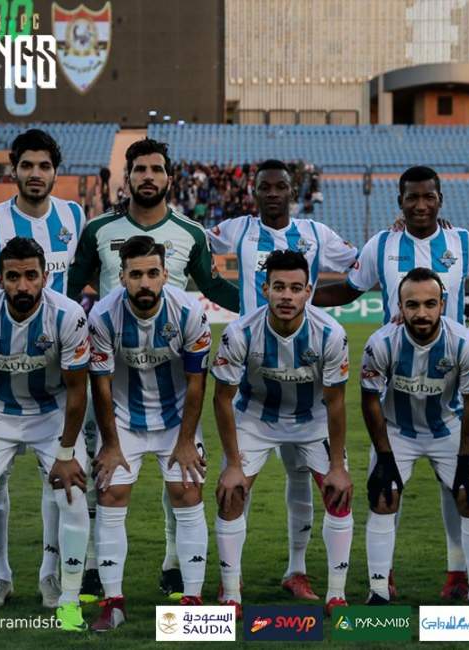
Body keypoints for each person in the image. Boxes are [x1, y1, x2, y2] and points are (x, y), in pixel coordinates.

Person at [315, 165, 469, 600]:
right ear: (400, 201)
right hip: (397, 392)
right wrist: (298, 296)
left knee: (463, 489)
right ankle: (382, 584)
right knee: (385, 489)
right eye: (412, 197)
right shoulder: (382, 243)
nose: (421, 204)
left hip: (450, 391)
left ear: (440, 200)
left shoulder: (462, 242)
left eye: (429, 196)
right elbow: (349, 290)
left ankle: (460, 574)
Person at [67, 139, 240, 600]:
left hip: (170, 366)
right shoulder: (98, 229)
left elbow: (213, 286)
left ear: (169, 178)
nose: (148, 176)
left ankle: (174, 564)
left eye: (156, 169)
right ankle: (92, 567)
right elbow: (70, 287)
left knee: (179, 479)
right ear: (127, 177)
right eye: (139, 169)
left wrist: (264, 305)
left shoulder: (190, 233)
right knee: (102, 473)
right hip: (111, 369)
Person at [207, 158, 358, 601]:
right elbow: (221, 398)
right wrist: (232, 463)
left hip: (310, 414)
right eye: (265, 186)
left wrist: (338, 465)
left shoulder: (331, 330)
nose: (273, 193)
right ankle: (230, 594)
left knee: (334, 490)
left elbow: (336, 401)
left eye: (296, 288)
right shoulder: (238, 328)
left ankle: (329, 592)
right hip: (255, 410)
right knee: (231, 492)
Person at [0, 129, 87, 611]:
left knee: (65, 486)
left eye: (44, 166)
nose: (35, 174)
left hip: (59, 372)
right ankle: (0, 576)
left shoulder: (74, 216)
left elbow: (83, 281)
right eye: (26, 165)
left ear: (55, 171)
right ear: (13, 169)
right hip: (1, 377)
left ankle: (52, 576)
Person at [86, 236, 213, 630]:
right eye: (136, 274)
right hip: (123, 420)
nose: (145, 282)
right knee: (111, 494)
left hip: (177, 420)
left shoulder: (189, 312)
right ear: (122, 277)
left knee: (187, 492)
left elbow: (197, 381)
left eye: (152, 273)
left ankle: (192, 601)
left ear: (165, 275)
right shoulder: (103, 316)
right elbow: (100, 384)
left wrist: (187, 441)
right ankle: (113, 603)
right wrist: (110, 445)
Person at [361, 267, 469, 605]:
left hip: (447, 427)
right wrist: (384, 456)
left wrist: (466, 459)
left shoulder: (465, 342)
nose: (422, 313)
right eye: (413, 304)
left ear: (442, 305)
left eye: (430, 304)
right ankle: (378, 592)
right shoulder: (381, 343)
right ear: (400, 306)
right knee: (383, 496)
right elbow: (370, 400)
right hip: (397, 430)